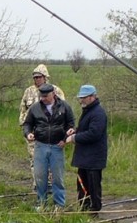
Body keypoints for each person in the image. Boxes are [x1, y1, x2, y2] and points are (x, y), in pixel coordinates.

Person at [22, 82, 76, 209]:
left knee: (58, 177)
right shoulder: (35, 108)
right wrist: (28, 133)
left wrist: (65, 138)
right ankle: (42, 203)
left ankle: (59, 205)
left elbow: (71, 123)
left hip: (57, 146)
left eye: (46, 96)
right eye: (41, 96)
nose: (43, 99)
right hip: (40, 145)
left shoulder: (64, 107)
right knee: (40, 176)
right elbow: (27, 124)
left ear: (53, 94)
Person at [19, 65, 66, 193]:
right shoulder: (28, 91)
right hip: (33, 132)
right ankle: (38, 184)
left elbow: (63, 110)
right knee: (34, 159)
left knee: (50, 158)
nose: (36, 79)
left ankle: (50, 184)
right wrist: (25, 128)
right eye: (34, 77)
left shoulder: (56, 91)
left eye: (39, 77)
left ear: (45, 77)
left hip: (51, 132)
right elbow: (23, 110)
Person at [66, 84, 108, 213]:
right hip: (84, 158)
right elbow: (86, 129)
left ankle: (94, 211)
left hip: (94, 159)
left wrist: (74, 138)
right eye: (80, 97)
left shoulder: (98, 113)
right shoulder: (88, 111)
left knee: (93, 187)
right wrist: (76, 130)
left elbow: (94, 134)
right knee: (82, 185)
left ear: (92, 97)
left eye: (84, 97)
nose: (81, 100)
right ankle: (84, 208)